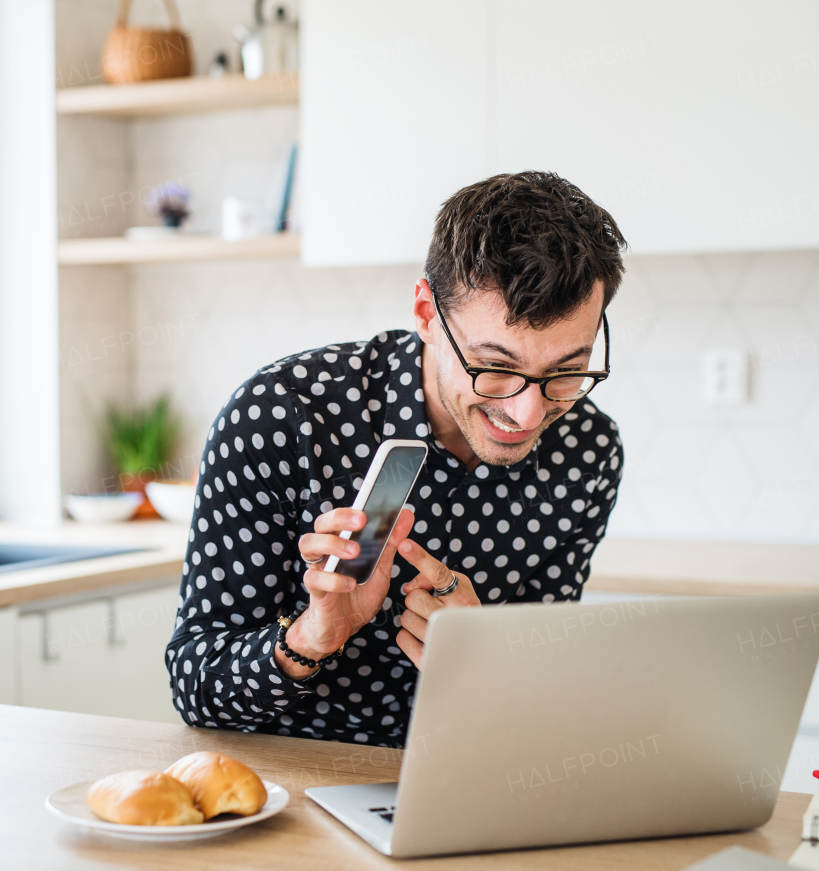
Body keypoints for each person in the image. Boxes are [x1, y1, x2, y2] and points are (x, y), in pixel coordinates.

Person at [165, 171, 627, 747]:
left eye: (565, 371)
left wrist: (489, 665)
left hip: (465, 785)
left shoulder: (587, 453)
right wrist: (309, 639)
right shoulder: (283, 416)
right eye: (496, 367)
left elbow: (539, 705)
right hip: (291, 794)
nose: (529, 413)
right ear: (427, 314)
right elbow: (196, 690)